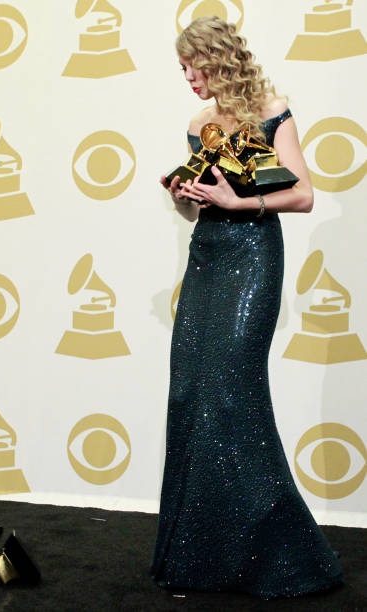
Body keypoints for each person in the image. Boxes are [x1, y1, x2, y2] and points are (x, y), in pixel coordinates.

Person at [151, 16, 344, 599]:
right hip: (207, 254)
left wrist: (239, 199)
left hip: (254, 255)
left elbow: (304, 194)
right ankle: (204, 556)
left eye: (193, 66)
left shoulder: (270, 108)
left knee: (232, 393)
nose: (187, 78)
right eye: (181, 69)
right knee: (191, 390)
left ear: (218, 58)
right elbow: (201, 209)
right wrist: (188, 197)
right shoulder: (198, 124)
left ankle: (285, 558)